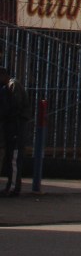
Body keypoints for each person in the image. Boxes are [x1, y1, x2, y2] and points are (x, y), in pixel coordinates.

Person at [0, 65, 29, 197]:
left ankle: (13, 187)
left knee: (14, 159)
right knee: (12, 158)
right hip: (12, 128)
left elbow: (15, 107)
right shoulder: (8, 87)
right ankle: (11, 186)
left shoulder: (13, 85)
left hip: (16, 128)